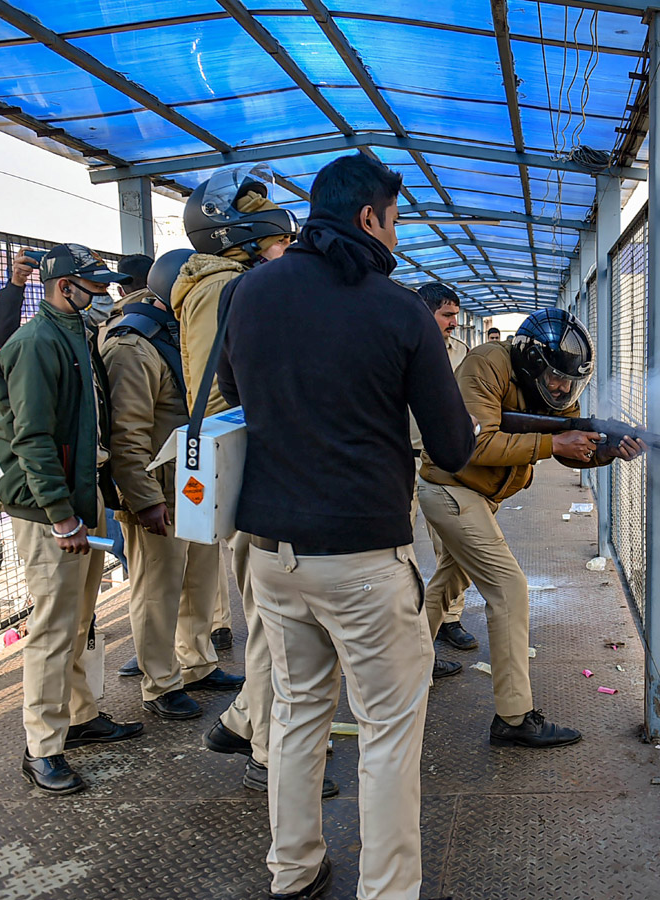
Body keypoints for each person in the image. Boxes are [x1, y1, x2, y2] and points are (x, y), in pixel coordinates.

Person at [217, 151, 475, 900]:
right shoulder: (399, 310)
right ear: (369, 218)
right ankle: (387, 890)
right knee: (389, 731)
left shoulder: (249, 294)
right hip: (363, 557)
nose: (396, 239)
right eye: (394, 222)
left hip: (270, 553)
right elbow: (453, 447)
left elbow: (237, 393)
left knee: (298, 714)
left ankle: (293, 872)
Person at [419, 308, 646, 748]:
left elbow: (568, 446)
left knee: (446, 584)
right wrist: (553, 441)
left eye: (569, 382)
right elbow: (475, 441)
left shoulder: (555, 387)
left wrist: (607, 451)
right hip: (452, 488)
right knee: (509, 590)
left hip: (480, 496)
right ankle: (513, 716)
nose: (561, 389)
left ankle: (408, 663)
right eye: (556, 378)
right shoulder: (486, 362)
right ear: (531, 361)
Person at [173, 163, 329, 797]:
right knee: (271, 626)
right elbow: (223, 390)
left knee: (272, 621)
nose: (279, 239)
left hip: (247, 467)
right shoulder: (224, 289)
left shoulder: (231, 283)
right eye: (259, 215)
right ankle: (269, 753)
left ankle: (241, 725)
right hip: (244, 469)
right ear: (226, 232)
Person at [0, 243, 143, 794]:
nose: (101, 293)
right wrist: (61, 517)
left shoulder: (71, 332)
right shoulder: (37, 343)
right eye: (92, 286)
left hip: (79, 497)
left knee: (79, 621)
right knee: (54, 628)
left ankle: (78, 718)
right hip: (47, 509)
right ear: (64, 287)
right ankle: (41, 748)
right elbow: (31, 439)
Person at [102, 251, 241, 722]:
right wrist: (143, 501)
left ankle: (197, 663)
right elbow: (127, 434)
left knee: (200, 583)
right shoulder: (132, 344)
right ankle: (159, 682)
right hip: (158, 493)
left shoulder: (176, 334)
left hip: (192, 486)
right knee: (157, 590)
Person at [413, 284, 478, 668]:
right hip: (404, 456)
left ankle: (449, 619)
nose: (455, 323)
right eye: (447, 315)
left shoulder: (463, 354)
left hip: (443, 463)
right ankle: (409, 625)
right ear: (426, 312)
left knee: (452, 543)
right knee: (397, 548)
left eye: (456, 315)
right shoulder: (402, 345)